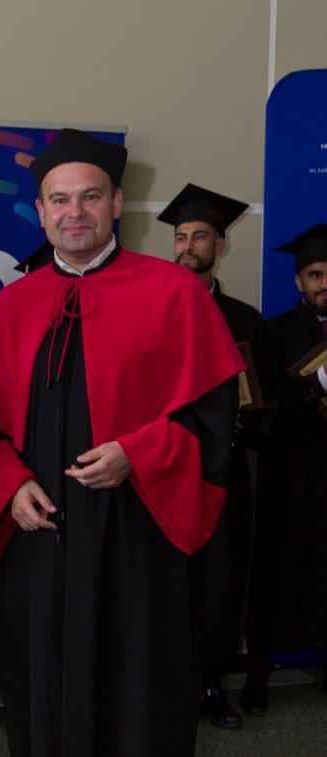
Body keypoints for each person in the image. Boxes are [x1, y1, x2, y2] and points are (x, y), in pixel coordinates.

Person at [0, 129, 244, 757]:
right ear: (40, 213)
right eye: (59, 199)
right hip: (45, 544)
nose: (74, 212)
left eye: (90, 196)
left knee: (143, 694)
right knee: (53, 690)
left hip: (141, 539)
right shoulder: (12, 309)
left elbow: (214, 423)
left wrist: (139, 453)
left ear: (117, 205)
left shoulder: (172, 294)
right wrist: (7, 487)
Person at [158, 184, 276, 729]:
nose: (187, 247)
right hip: (164, 465)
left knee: (220, 576)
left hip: (224, 469)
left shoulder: (245, 320)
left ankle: (209, 683)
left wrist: (244, 423)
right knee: (162, 574)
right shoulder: (152, 306)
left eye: (199, 237)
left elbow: (264, 399)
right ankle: (161, 684)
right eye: (180, 237)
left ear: (220, 245)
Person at [243, 224, 327, 712]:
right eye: (314, 275)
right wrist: (318, 382)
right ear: (299, 281)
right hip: (290, 473)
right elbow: (265, 406)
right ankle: (258, 674)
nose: (324, 284)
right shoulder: (274, 333)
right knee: (276, 571)